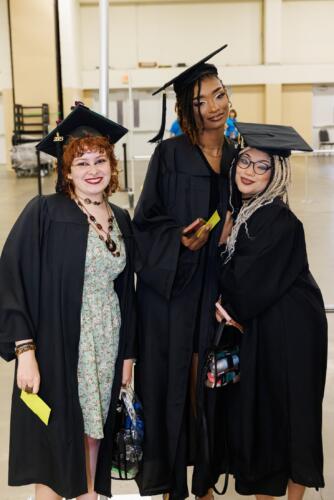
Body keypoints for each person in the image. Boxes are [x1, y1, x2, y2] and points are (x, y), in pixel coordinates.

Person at [0, 103, 137, 500]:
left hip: (106, 342)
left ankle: (90, 495)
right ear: (66, 171)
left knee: (95, 438)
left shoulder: (121, 218)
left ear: (112, 166)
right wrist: (25, 350)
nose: (92, 170)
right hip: (60, 343)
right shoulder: (44, 212)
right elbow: (10, 277)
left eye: (100, 160)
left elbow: (126, 291)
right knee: (57, 448)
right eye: (81, 163)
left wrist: (128, 355)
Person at [132, 44, 238, 499]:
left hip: (219, 289)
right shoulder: (170, 156)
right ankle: (174, 483)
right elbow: (144, 225)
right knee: (177, 382)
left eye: (218, 95)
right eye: (200, 101)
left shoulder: (240, 155)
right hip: (174, 292)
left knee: (211, 384)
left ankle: (207, 480)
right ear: (184, 109)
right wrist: (178, 238)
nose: (213, 107)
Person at [216, 123, 327, 499]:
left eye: (261, 166)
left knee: (287, 418)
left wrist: (221, 302)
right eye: (244, 161)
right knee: (271, 418)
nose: (248, 170)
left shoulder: (277, 219)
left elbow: (245, 288)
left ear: (277, 173)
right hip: (273, 325)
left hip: (291, 333)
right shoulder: (249, 212)